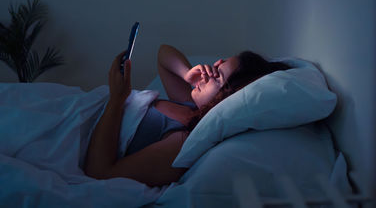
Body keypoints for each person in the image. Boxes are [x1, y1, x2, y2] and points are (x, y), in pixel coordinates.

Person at [84, 44, 291, 187]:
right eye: (219, 63)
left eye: (217, 76)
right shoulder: (189, 106)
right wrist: (185, 72)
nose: (213, 66)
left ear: (224, 100)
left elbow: (100, 172)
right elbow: (163, 53)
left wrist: (117, 99)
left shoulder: (181, 141)